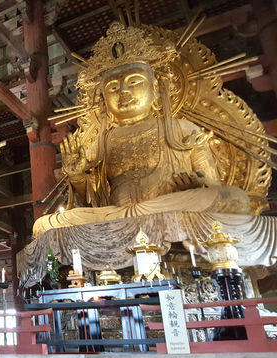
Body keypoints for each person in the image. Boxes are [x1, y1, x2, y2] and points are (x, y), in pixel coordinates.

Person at [32, 23, 253, 238]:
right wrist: (77, 175)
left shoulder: (182, 129)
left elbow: (212, 184)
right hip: (117, 215)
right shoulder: (103, 140)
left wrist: (198, 186)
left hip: (170, 206)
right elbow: (91, 199)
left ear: (156, 88)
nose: (124, 92)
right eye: (113, 88)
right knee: (45, 224)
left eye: (134, 81)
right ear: (103, 99)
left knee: (234, 199)